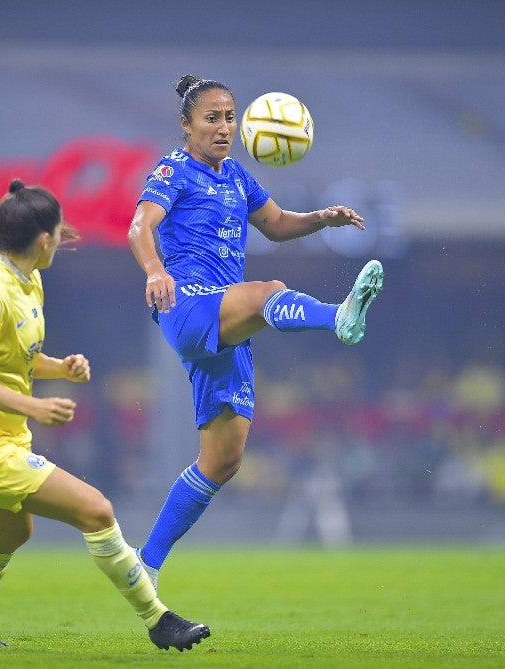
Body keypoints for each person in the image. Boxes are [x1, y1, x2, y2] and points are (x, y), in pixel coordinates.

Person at [0, 178, 210, 652]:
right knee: (96, 509)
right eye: (57, 234)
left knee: (14, 530)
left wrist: (58, 367)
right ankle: (159, 620)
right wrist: (35, 405)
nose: (62, 240)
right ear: (41, 241)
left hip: (2, 437)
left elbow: (8, 356)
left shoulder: (28, 276)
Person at [128, 75, 384, 588]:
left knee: (223, 460)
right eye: (211, 119)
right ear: (186, 125)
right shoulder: (173, 169)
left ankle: (144, 564)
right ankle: (338, 317)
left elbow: (277, 224)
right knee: (268, 291)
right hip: (188, 305)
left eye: (229, 118)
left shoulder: (238, 177)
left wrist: (322, 219)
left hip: (224, 323)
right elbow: (140, 225)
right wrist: (155, 271)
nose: (223, 128)